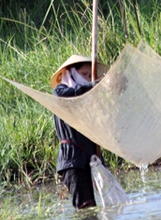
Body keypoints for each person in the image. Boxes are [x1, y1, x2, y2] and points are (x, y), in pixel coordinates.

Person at [50, 55, 108, 209]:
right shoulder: (62, 91)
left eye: (90, 76)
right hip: (73, 162)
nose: (88, 78)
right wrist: (94, 86)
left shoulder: (89, 100)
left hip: (92, 160)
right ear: (72, 73)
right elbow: (64, 95)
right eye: (84, 74)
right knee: (85, 207)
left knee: (100, 206)